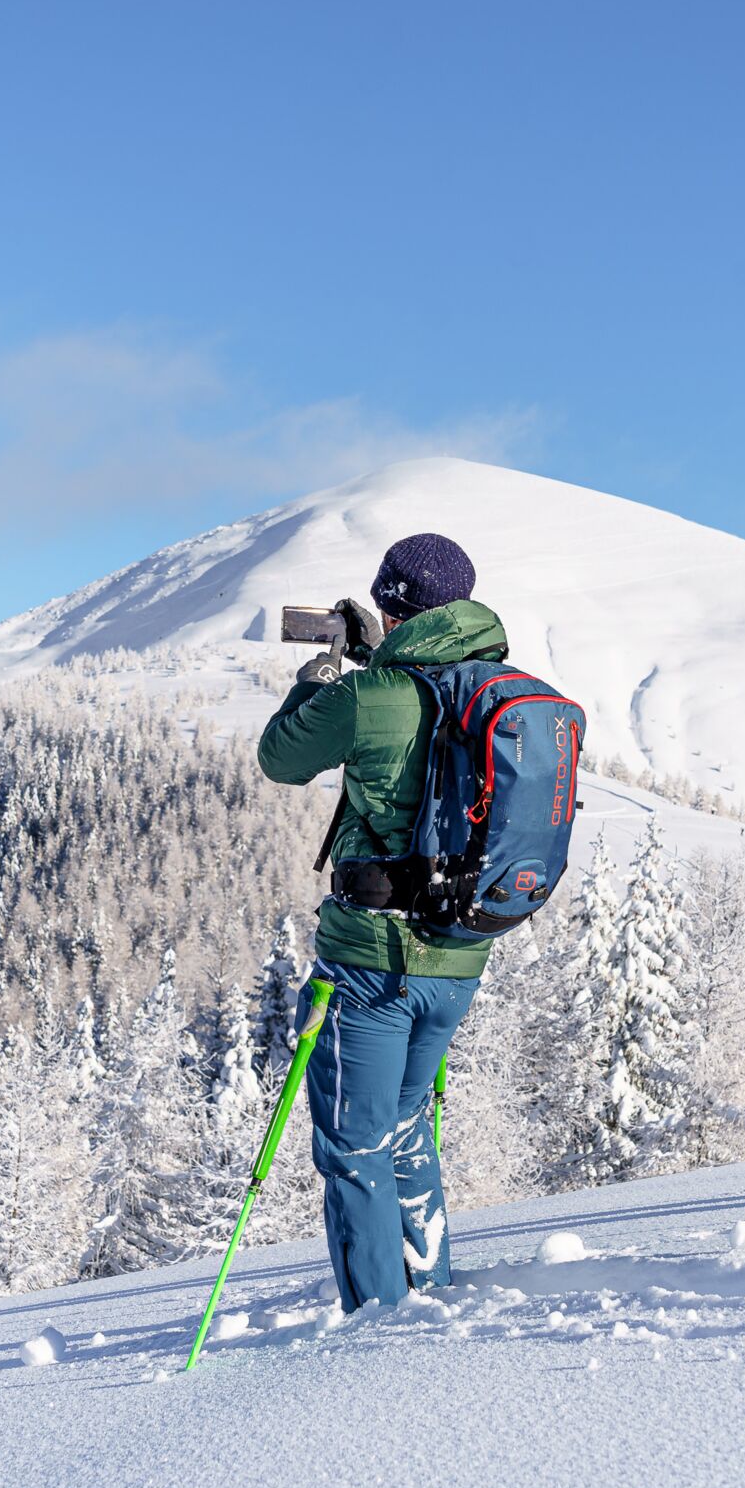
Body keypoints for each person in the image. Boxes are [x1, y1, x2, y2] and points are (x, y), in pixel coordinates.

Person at [256, 532, 499, 1310]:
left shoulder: (367, 697)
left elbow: (282, 758)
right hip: (459, 954)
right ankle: (431, 1288)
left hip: (370, 959)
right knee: (404, 1130)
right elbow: (421, 715)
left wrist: (317, 679)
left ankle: (379, 1334)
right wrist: (378, 660)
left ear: (392, 607)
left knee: (354, 1146)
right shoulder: (492, 689)